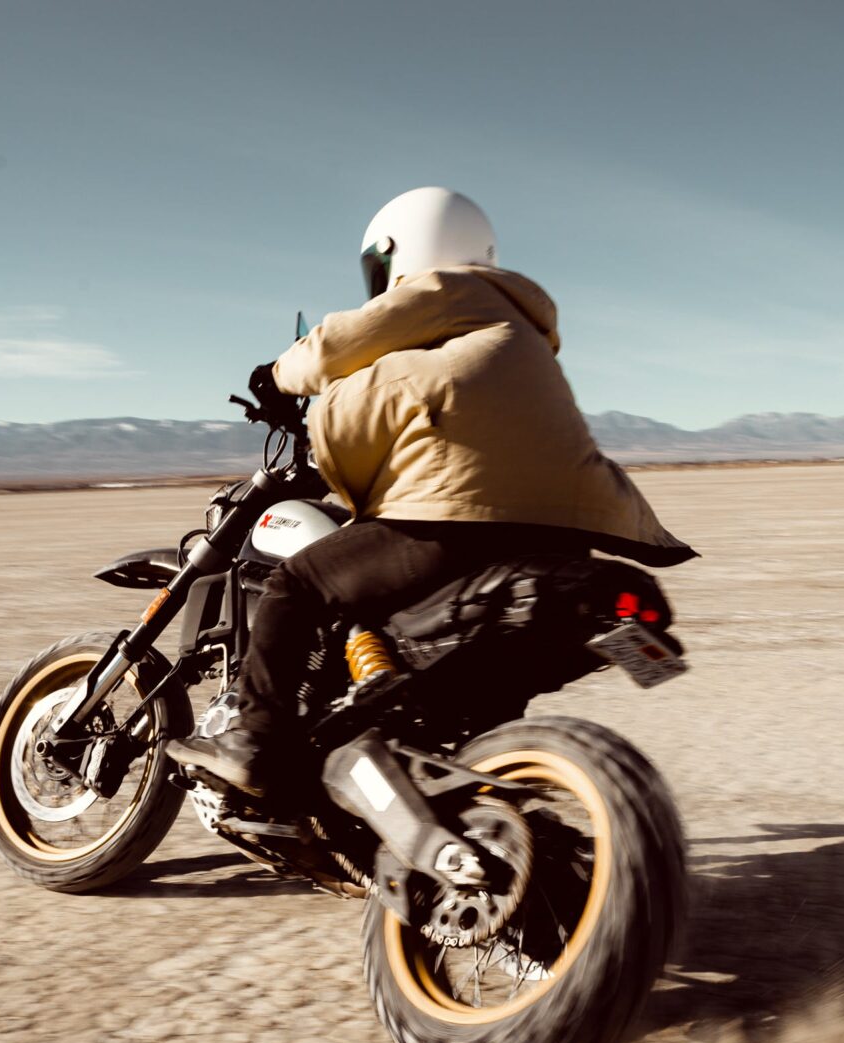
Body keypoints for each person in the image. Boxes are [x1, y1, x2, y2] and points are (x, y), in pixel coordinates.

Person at [173, 186, 695, 796]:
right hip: (568, 534)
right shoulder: (519, 334)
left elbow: (342, 341)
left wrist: (278, 376)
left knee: (299, 584)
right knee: (482, 682)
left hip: (466, 524)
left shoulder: (454, 290)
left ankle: (253, 740)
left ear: (401, 252)